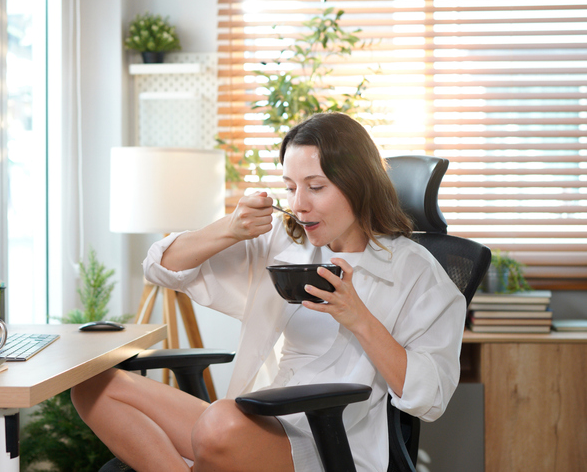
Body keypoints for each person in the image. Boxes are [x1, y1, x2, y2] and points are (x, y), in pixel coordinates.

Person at [71, 112, 466, 472]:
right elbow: (162, 268)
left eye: (315, 187)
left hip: (330, 446)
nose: (299, 204)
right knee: (94, 386)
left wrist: (359, 317)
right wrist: (230, 228)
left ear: (358, 184)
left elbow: (428, 398)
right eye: (291, 187)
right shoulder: (286, 242)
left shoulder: (420, 274)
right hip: (256, 422)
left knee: (219, 422)